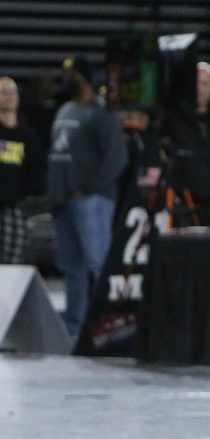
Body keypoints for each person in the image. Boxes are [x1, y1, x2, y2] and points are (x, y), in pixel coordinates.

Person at [45, 55, 129, 337]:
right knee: (72, 267)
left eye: (72, 74)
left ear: (84, 78)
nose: (66, 78)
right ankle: (74, 327)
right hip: (63, 200)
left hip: (91, 201)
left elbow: (117, 157)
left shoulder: (101, 113)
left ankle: (108, 322)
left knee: (98, 263)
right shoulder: (65, 110)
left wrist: (91, 188)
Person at [158, 60, 210, 228]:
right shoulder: (172, 117)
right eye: (196, 83)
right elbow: (161, 153)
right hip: (181, 202)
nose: (199, 88)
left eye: (205, 84)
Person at [0, 77, 47, 264]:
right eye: (4, 92)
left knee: (11, 263)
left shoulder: (28, 136)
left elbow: (37, 173)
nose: (9, 96)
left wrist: (17, 195)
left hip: (15, 209)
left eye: (13, 92)